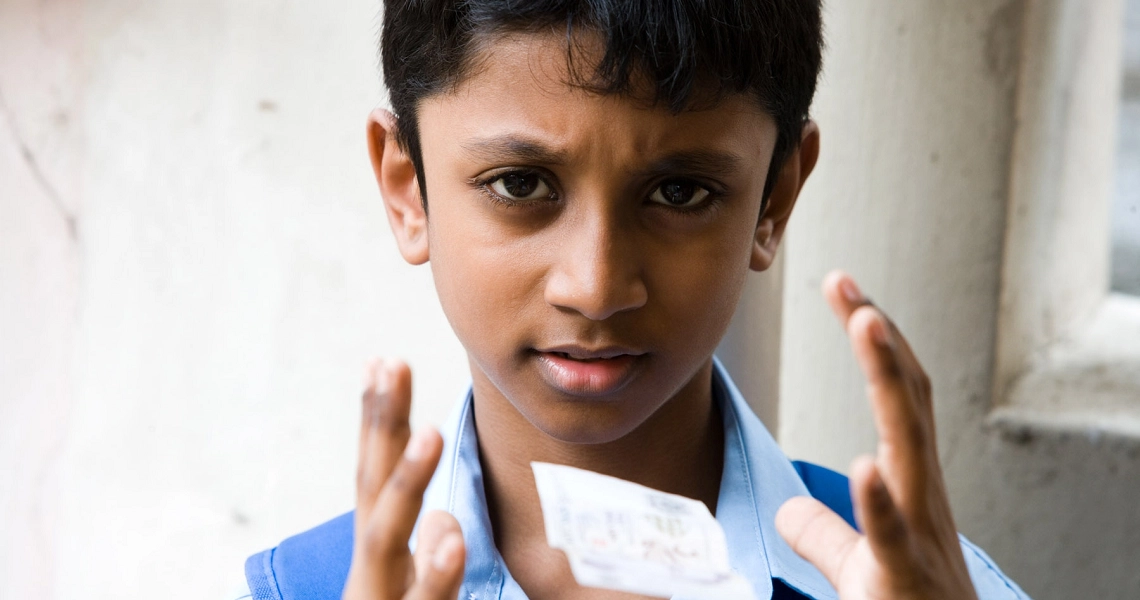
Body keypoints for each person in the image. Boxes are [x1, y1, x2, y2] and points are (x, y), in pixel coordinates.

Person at [241, 1, 1030, 598]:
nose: (596, 286)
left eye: (680, 192)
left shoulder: (923, 587)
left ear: (773, 200)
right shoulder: (305, 589)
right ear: (407, 189)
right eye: (520, 185)